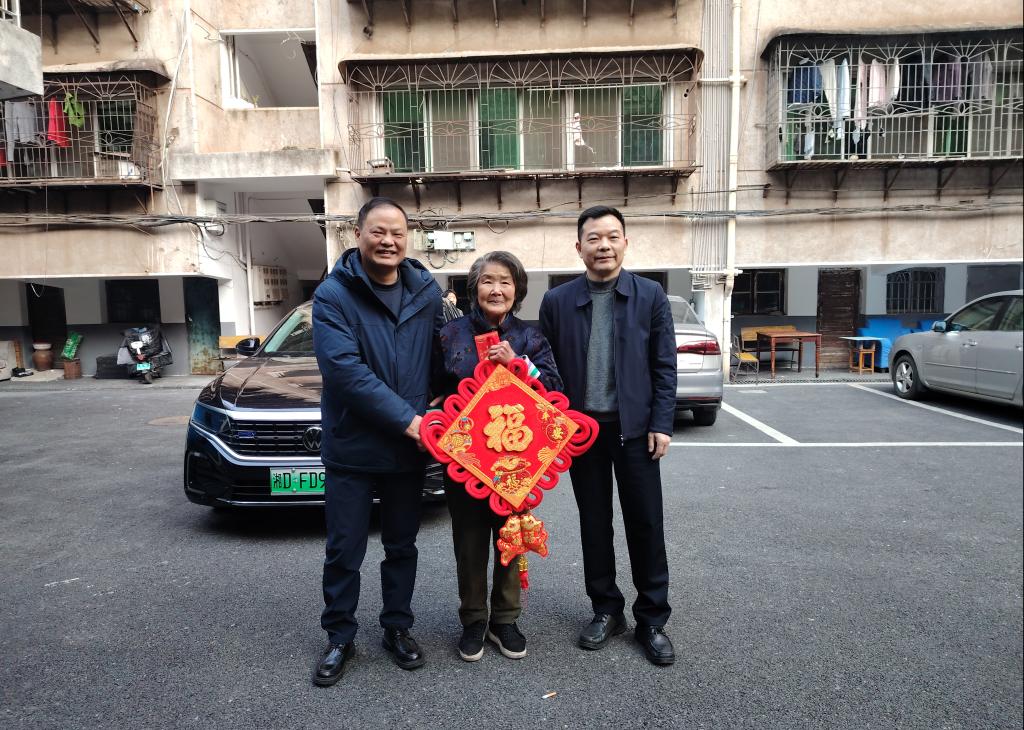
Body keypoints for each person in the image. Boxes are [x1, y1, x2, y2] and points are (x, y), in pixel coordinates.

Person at [311, 197, 444, 687]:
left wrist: (459, 394)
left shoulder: (426, 292)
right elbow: (345, 372)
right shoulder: (332, 295)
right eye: (378, 232)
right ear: (358, 234)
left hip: (407, 451)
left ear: (407, 238)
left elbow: (443, 358)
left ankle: (397, 627)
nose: (388, 241)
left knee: (402, 545)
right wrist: (412, 421)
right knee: (344, 549)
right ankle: (339, 636)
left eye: (397, 233)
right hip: (353, 445)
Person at [538, 205, 677, 666]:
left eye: (613, 237)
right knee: (594, 523)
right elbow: (546, 370)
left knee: (646, 522)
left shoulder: (650, 295)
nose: (604, 246)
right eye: (594, 238)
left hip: (635, 431)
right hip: (582, 433)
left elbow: (664, 366)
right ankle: (606, 609)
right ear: (579, 247)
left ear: (625, 243)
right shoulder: (557, 301)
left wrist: (661, 423)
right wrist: (553, 427)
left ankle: (651, 619)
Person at [434, 251, 563, 663]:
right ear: (474, 289)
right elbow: (433, 389)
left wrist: (519, 365)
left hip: (516, 459)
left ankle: (505, 619)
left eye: (505, 281)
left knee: (512, 534)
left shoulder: (530, 337)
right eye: (488, 281)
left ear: (517, 290)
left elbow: (555, 390)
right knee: (469, 540)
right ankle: (473, 619)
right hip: (466, 461)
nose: (496, 289)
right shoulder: (449, 334)